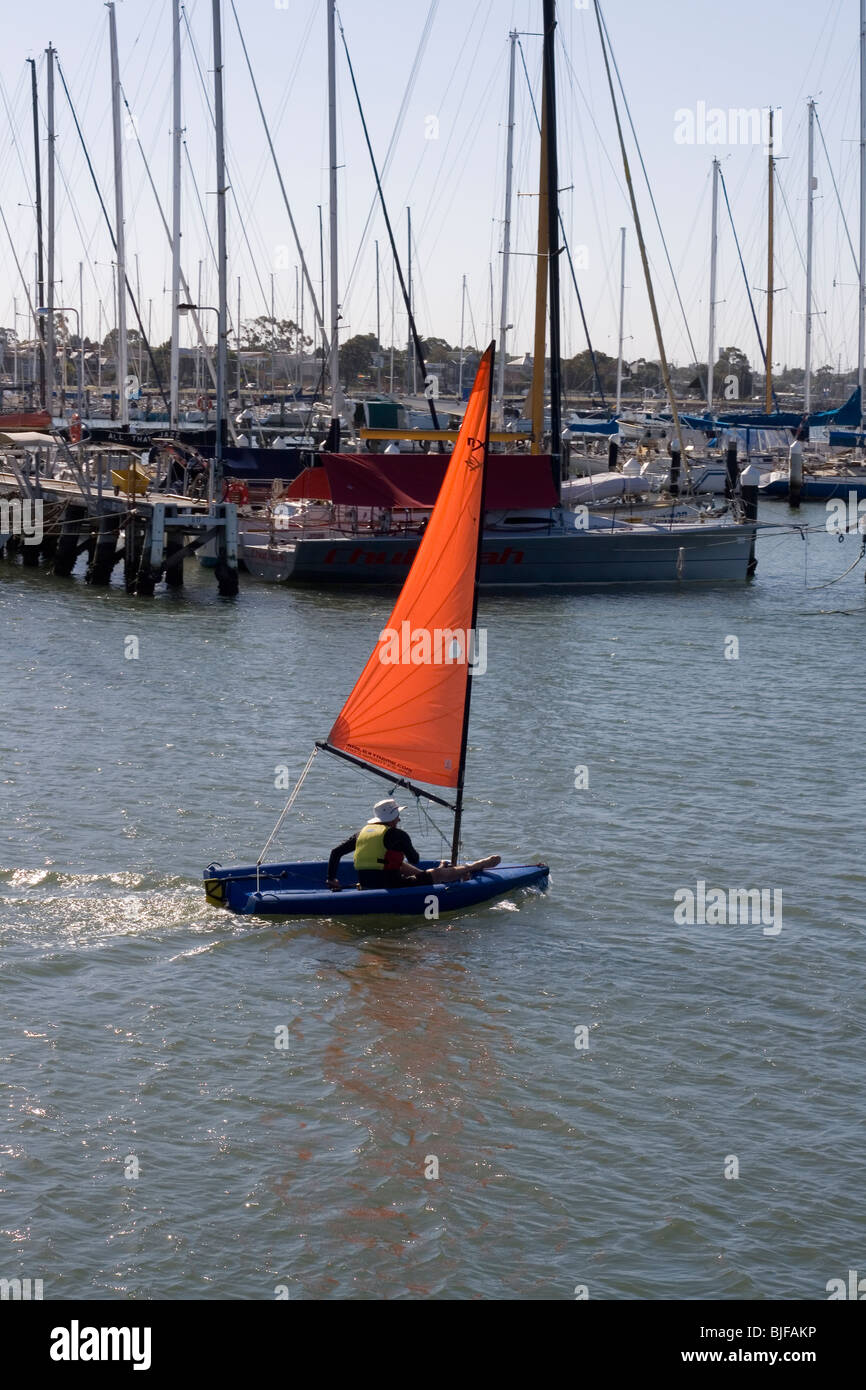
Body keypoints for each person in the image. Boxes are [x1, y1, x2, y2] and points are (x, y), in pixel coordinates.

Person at [326, 797, 500, 892]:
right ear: (392, 817)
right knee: (437, 873)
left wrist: (332, 879)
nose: (399, 819)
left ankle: (428, 876)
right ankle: (476, 865)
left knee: (394, 861)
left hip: (366, 886)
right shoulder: (398, 835)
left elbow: (335, 852)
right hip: (393, 886)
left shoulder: (361, 833)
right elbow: (415, 858)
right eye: (397, 816)